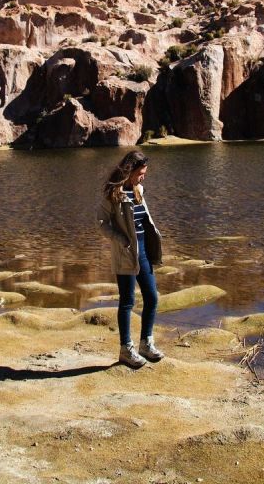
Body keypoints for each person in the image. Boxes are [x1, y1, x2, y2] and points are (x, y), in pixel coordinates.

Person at [96, 150, 165, 368]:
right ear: (130, 171)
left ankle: (146, 343)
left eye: (145, 172)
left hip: (143, 250)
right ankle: (126, 350)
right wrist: (120, 240)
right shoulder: (113, 194)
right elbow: (100, 222)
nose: (143, 176)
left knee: (152, 297)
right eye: (141, 172)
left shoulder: (138, 190)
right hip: (125, 254)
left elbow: (144, 220)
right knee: (127, 301)